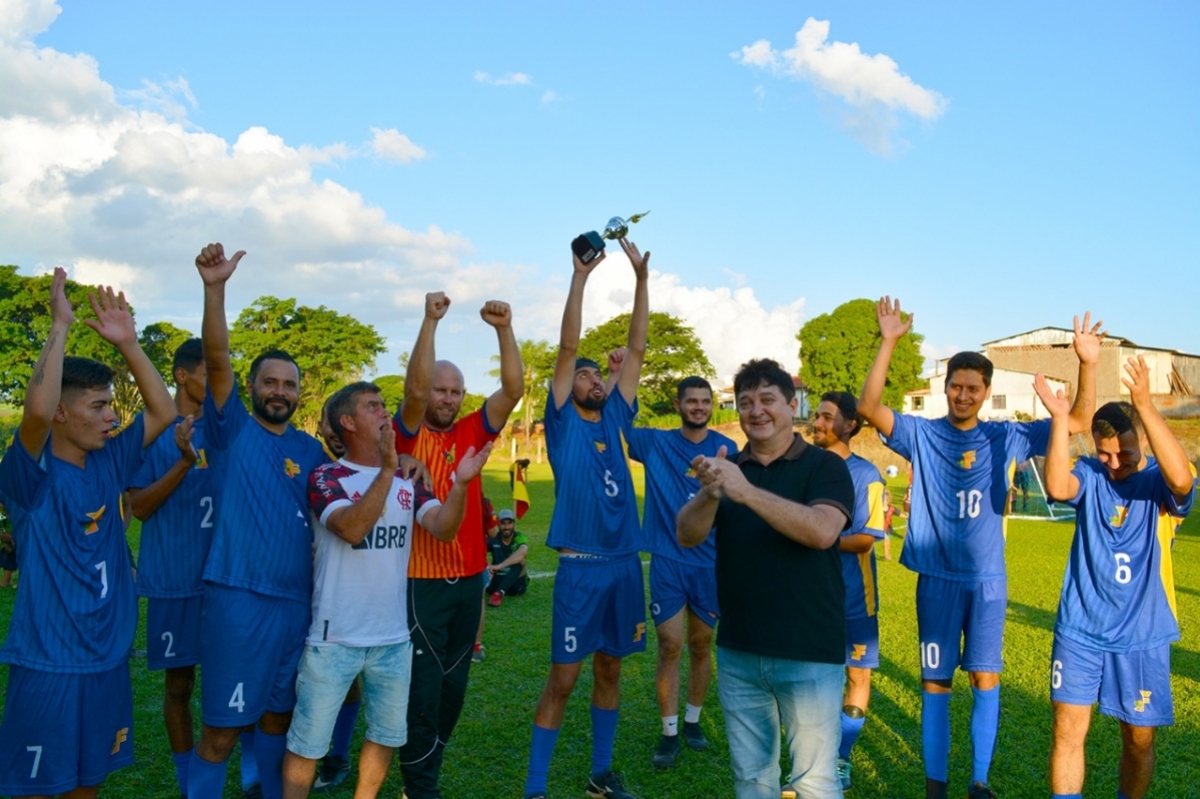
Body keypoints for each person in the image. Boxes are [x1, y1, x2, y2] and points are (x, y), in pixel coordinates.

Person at [857, 298, 1104, 799]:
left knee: (985, 679)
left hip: (988, 583)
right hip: (937, 581)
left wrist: (1087, 364)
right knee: (936, 684)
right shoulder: (922, 434)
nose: (963, 395)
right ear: (945, 387)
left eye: (973, 388)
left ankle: (980, 780)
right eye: (956, 386)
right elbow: (868, 408)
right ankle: (936, 787)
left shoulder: (1008, 436)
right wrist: (888, 343)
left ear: (987, 391)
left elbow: (1079, 419)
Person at [0, 270, 177, 798]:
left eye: (111, 405)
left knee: (88, 785)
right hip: (49, 664)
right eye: (98, 406)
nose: (111, 417)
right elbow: (34, 410)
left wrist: (129, 345)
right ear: (61, 412)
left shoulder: (108, 462)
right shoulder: (29, 476)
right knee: (37, 789)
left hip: (108, 661)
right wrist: (60, 325)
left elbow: (163, 411)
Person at [282, 381, 492, 799]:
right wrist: (386, 470)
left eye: (383, 405)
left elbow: (442, 528)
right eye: (373, 406)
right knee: (307, 744)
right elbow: (352, 528)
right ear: (348, 421)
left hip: (393, 639)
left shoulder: (408, 479)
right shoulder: (327, 476)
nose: (385, 413)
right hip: (334, 639)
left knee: (384, 736)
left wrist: (461, 485)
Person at [184, 243, 333, 799]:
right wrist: (215, 289)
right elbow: (218, 357)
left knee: (277, 720)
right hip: (238, 598)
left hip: (296, 604)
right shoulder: (232, 430)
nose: (280, 392)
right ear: (250, 387)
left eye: (289, 385)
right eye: (270, 382)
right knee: (222, 730)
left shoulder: (310, 449)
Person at [678, 358, 854, 799]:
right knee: (752, 779)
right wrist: (709, 494)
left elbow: (822, 531)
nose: (756, 411)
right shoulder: (729, 468)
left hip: (809, 651)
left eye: (767, 400)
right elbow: (686, 535)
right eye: (745, 402)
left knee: (815, 783)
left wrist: (746, 492)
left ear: (792, 406)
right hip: (740, 651)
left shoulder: (825, 466)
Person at [522, 236, 650, 799]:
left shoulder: (617, 416)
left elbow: (637, 350)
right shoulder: (562, 422)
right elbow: (569, 345)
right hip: (581, 568)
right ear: (566, 387)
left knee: (610, 670)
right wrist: (581, 278)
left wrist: (641, 280)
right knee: (563, 679)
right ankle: (535, 788)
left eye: (598, 376)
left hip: (624, 565)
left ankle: (601, 772)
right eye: (583, 376)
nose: (594, 380)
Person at [1034, 359, 1195, 799]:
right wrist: (1060, 419)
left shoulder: (1157, 480)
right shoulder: (1090, 473)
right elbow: (1058, 487)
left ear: (1142, 441)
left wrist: (1144, 404)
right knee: (1067, 730)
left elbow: (1182, 481)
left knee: (1138, 740)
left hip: (1142, 633)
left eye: (1125, 453)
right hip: (1081, 629)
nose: (1115, 463)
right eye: (1105, 453)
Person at [392, 291, 523, 799]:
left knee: (454, 687)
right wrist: (430, 321)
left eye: (455, 392)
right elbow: (414, 387)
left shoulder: (473, 430)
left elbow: (513, 389)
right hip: (420, 581)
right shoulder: (406, 436)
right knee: (422, 691)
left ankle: (425, 773)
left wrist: (504, 329)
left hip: (469, 581)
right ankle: (420, 788)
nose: (446, 399)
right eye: (440, 390)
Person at [624, 376, 736, 770]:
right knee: (670, 645)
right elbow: (619, 420)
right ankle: (669, 732)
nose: (699, 407)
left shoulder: (728, 449)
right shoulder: (655, 443)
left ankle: (692, 722)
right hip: (668, 561)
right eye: (692, 401)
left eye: (705, 401)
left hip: (710, 565)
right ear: (678, 405)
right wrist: (621, 373)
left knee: (701, 645)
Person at [126, 338, 219, 798]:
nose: (217, 382)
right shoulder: (149, 431)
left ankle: (250, 777)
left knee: (234, 682)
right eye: (207, 372)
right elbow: (140, 507)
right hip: (172, 580)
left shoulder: (226, 430)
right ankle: (188, 784)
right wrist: (184, 463)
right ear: (182, 375)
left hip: (223, 581)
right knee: (179, 686)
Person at [810, 391, 887, 792]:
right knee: (811, 679)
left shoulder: (867, 475)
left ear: (850, 425)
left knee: (857, 675)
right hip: (809, 596)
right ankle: (811, 758)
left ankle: (841, 757)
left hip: (855, 598)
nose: (817, 423)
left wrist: (816, 535)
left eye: (827, 417)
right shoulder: (805, 468)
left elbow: (865, 539)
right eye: (817, 415)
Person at [486, 508, 530, 606]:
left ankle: (499, 593)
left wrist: (500, 566)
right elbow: (478, 551)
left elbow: (523, 551)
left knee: (521, 561)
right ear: (498, 524)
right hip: (496, 582)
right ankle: (498, 592)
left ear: (514, 524)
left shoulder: (519, 537)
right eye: (503, 523)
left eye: (509, 523)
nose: (507, 527)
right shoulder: (494, 538)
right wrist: (487, 567)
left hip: (515, 584)